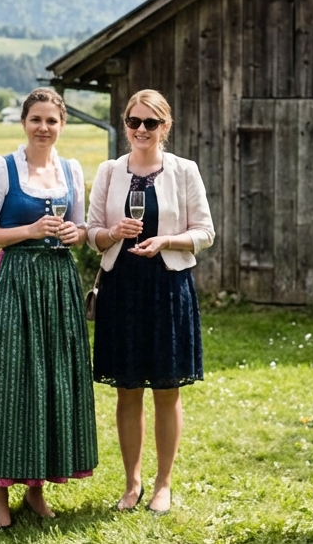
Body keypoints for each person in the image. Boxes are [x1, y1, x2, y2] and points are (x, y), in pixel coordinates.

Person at [0, 87, 98, 528]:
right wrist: (29, 229)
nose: (44, 127)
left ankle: (37, 487)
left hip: (58, 284)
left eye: (52, 120)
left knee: (50, 380)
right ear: (24, 122)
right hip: (15, 281)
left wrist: (75, 235)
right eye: (36, 119)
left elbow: (78, 228)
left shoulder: (72, 169)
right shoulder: (1, 168)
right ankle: (0, 493)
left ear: (62, 125)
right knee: (9, 381)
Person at [86, 89, 215, 515]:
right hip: (121, 286)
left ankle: (163, 484)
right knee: (126, 389)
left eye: (150, 123)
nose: (141, 130)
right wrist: (113, 234)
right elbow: (92, 234)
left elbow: (205, 232)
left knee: (166, 389)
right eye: (134, 122)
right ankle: (132, 482)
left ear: (165, 127)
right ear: (125, 125)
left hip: (166, 286)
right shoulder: (109, 170)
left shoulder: (184, 170)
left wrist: (165, 241)